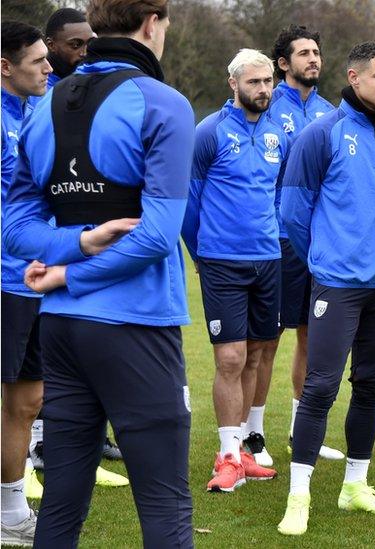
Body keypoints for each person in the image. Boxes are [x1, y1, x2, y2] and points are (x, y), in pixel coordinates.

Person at [2, 0, 195, 545]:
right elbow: (156, 237)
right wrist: (75, 268)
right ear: (153, 23)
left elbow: (15, 229)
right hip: (134, 325)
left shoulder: (42, 105)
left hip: (62, 330)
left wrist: (74, 245)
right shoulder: (164, 102)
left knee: (61, 505)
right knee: (164, 502)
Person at [276, 41, 375, 536]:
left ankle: (355, 485)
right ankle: (299, 495)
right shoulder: (322, 133)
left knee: (371, 385)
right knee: (319, 388)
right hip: (337, 282)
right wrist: (327, 257)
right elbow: (292, 211)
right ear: (354, 78)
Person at [182, 48, 285, 492]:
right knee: (230, 357)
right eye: (254, 82)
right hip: (222, 261)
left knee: (259, 355)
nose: (263, 89)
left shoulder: (278, 131)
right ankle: (226, 459)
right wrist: (202, 255)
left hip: (269, 260)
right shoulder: (210, 132)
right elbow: (188, 200)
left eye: (267, 82)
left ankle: (242, 449)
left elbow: (282, 192)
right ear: (234, 84)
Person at [34, 7, 127, 471]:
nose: (84, 50)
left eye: (89, 41)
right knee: (35, 369)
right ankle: (39, 451)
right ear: (49, 44)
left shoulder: (94, 95)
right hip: (40, 256)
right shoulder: (45, 101)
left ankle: (90, 439)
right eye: (74, 43)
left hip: (85, 248)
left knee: (94, 346)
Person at [263, 24, 343, 467]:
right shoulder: (265, 104)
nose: (313, 59)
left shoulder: (332, 112)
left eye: (317, 52)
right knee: (267, 340)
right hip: (277, 240)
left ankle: (301, 430)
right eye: (303, 53)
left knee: (313, 338)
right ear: (283, 63)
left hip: (320, 240)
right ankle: (254, 433)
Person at [1, 20, 51, 547]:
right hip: (5, 281)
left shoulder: (38, 113)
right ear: (5, 67)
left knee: (29, 399)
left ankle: (11, 511)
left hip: (34, 280)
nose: (49, 67)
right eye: (38, 60)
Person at [44, 8, 95, 89]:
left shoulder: (94, 79)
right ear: (51, 45)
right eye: (75, 45)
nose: (84, 53)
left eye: (89, 43)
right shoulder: (36, 90)